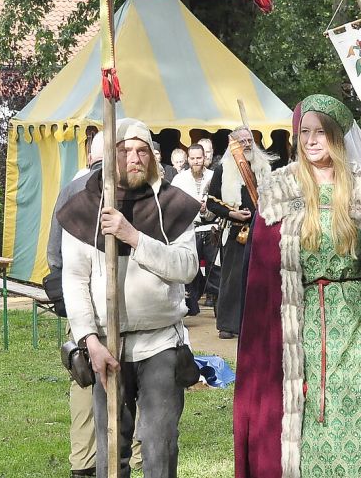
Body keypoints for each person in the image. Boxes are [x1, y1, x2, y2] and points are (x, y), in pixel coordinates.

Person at [234, 94, 361, 478]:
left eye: (321, 132)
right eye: (304, 132)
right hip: (301, 324)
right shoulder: (279, 192)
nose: (311, 141)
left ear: (339, 137)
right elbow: (262, 279)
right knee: (308, 429)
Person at [58, 118, 200, 478]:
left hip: (161, 345)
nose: (134, 158)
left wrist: (134, 237)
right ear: (109, 157)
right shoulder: (83, 207)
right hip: (107, 347)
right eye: (124, 151)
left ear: (152, 156)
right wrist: (89, 340)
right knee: (110, 452)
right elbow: (74, 279)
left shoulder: (173, 204)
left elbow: (187, 268)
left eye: (141, 151)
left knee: (159, 445)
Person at [48, 133, 103, 478]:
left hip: (81, 300)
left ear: (87, 157)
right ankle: (140, 458)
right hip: (116, 305)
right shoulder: (131, 188)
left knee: (84, 380)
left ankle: (83, 463)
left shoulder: (68, 189)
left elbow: (53, 254)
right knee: (130, 382)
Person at [205, 126, 274, 339]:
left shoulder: (264, 168)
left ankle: (255, 323)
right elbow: (211, 202)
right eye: (242, 141)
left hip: (262, 231)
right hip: (236, 232)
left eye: (249, 140)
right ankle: (228, 324)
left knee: (259, 279)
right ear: (233, 144)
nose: (247, 144)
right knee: (232, 280)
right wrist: (232, 214)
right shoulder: (223, 169)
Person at [170, 144, 216, 316]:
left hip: (211, 229)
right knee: (190, 270)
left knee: (214, 269)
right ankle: (190, 307)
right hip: (189, 229)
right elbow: (173, 205)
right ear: (188, 159)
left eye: (199, 158)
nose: (196, 161)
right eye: (193, 158)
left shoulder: (213, 177)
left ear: (204, 158)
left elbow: (220, 201)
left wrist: (207, 208)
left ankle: (217, 308)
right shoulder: (180, 180)